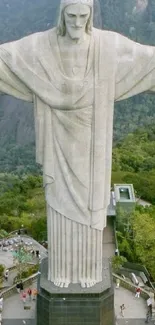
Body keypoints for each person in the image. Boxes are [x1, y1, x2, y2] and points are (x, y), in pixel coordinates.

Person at [1, 0, 155, 288]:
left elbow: (144, 58)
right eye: (70, 15)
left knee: (89, 206)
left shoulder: (105, 46)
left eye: (82, 16)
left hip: (92, 144)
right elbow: (8, 58)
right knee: (59, 207)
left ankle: (88, 271)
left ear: (90, 15)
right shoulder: (43, 46)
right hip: (58, 141)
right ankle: (60, 269)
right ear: (61, 14)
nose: (76, 22)